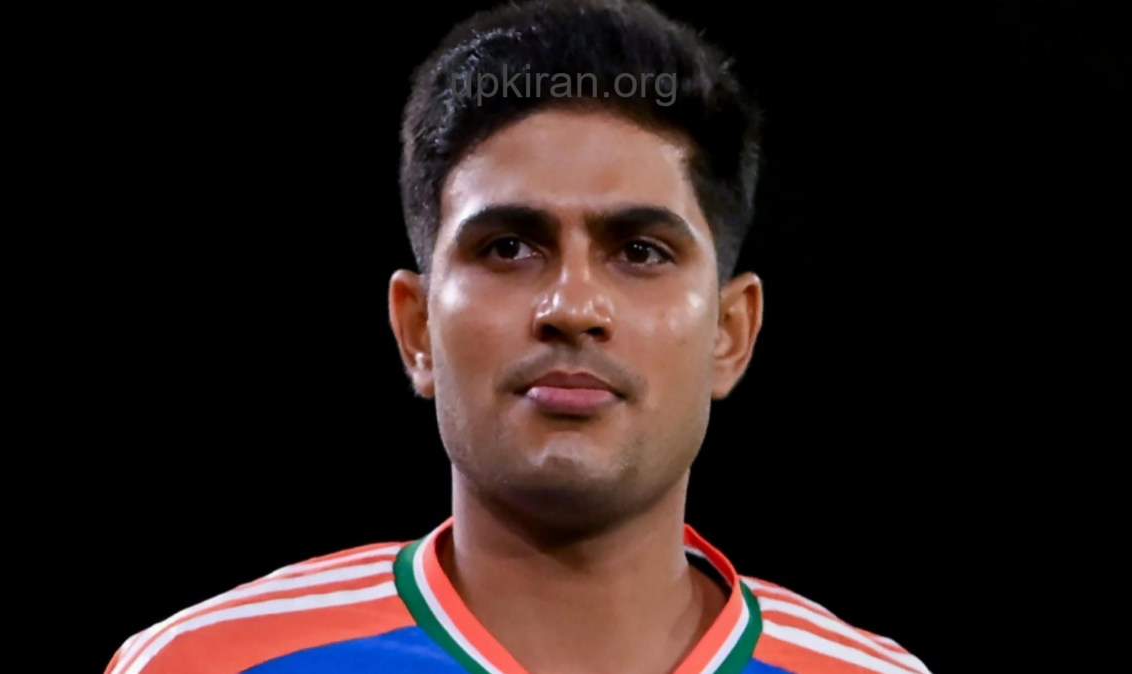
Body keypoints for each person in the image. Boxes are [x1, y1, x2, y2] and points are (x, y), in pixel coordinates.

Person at [105, 1, 931, 673]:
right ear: (416, 328)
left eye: (641, 251)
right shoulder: (202, 665)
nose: (572, 305)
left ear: (730, 332)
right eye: (508, 247)